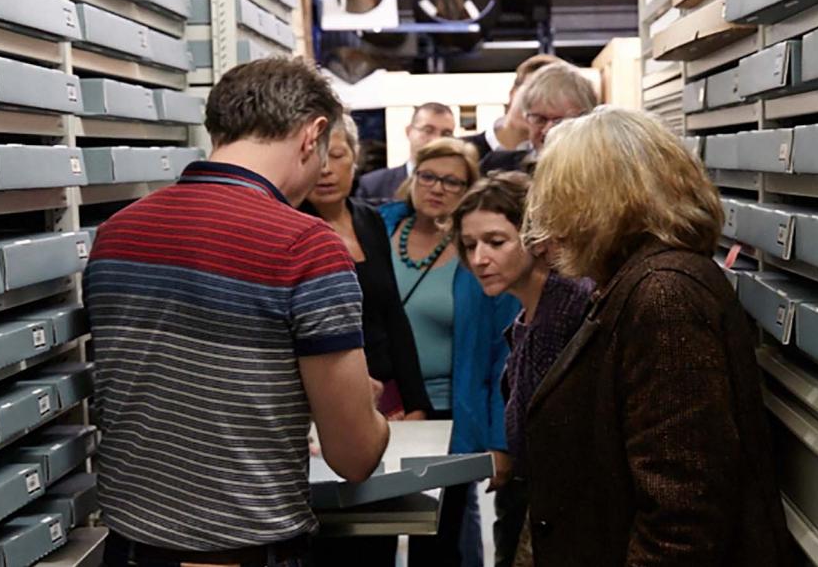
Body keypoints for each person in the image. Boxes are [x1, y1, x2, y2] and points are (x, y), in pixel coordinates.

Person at [87, 57, 390, 567]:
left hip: (128, 549)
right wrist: (364, 407)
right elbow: (354, 456)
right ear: (312, 135)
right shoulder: (306, 245)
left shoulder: (117, 232)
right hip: (248, 552)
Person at [518, 106, 799, 567]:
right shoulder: (637, 282)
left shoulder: (663, 296)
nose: (549, 218)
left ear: (594, 204)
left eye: (558, 198)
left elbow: (683, 512)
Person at [379, 137, 520, 567]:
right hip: (383, 409)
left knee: (438, 541)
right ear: (412, 177)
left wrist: (499, 443)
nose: (436, 187)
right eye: (428, 176)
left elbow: (504, 355)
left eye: (452, 182)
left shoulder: (479, 254)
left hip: (448, 415)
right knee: (370, 530)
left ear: (467, 193)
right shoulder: (377, 228)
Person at [302, 119, 429, 567]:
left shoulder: (369, 220)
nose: (326, 169)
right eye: (317, 157)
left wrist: (416, 401)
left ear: (356, 160)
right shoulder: (295, 228)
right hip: (325, 402)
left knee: (382, 529)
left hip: (387, 398)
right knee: (335, 537)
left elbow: (394, 313)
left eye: (337, 156)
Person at [450, 173, 593, 567]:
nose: (480, 259)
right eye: (469, 245)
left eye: (496, 242)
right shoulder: (531, 313)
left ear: (535, 236)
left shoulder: (567, 308)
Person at [483, 63, 598, 175]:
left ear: (585, 120)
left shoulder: (603, 172)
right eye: (539, 119)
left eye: (559, 121)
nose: (547, 130)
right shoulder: (499, 169)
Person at [465, 54, 563, 163]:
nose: (539, 105)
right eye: (531, 93)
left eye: (550, 98)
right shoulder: (462, 151)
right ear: (513, 93)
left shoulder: (557, 161)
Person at [356, 102, 457, 202]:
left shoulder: (460, 186)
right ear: (409, 131)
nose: (436, 139)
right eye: (428, 130)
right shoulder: (374, 185)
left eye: (446, 134)